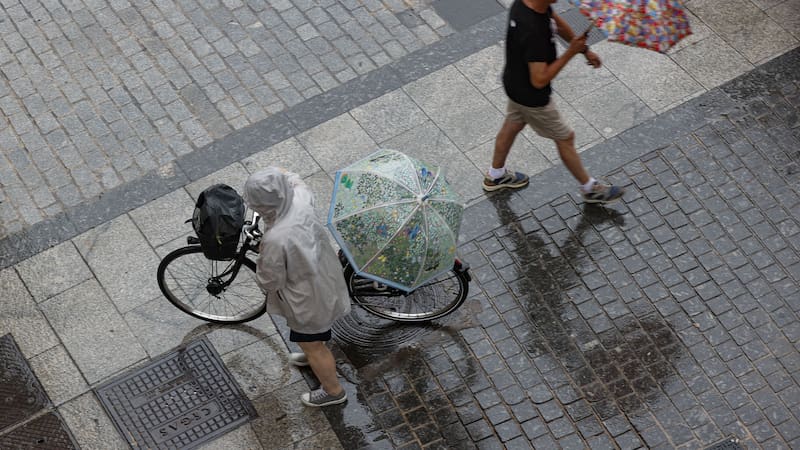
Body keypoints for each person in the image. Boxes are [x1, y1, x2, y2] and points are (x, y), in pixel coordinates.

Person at [484, 0, 624, 204]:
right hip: (532, 97)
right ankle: (590, 189)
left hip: (514, 83)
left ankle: (495, 175)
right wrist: (571, 52)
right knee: (565, 137)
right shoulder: (533, 31)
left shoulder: (530, 5)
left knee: (513, 124)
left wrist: (584, 49)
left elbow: (557, 25)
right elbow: (539, 79)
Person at [243, 167, 351, 407]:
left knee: (311, 343)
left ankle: (333, 391)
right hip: (325, 276)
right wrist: (281, 174)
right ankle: (315, 354)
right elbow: (295, 178)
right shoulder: (301, 198)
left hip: (307, 298)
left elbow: (270, 280)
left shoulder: (276, 239)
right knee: (316, 337)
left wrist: (262, 258)